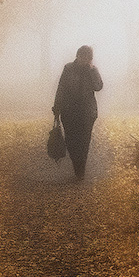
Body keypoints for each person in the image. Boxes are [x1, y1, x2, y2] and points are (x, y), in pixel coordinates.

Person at [52, 45, 103, 179]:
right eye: (82, 56)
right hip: (69, 111)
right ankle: (76, 164)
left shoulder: (92, 70)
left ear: (90, 59)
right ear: (78, 56)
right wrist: (57, 107)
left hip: (87, 112)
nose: (84, 60)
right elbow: (61, 88)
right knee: (71, 139)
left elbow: (98, 87)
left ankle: (80, 170)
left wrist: (92, 71)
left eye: (88, 58)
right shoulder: (68, 69)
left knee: (84, 140)